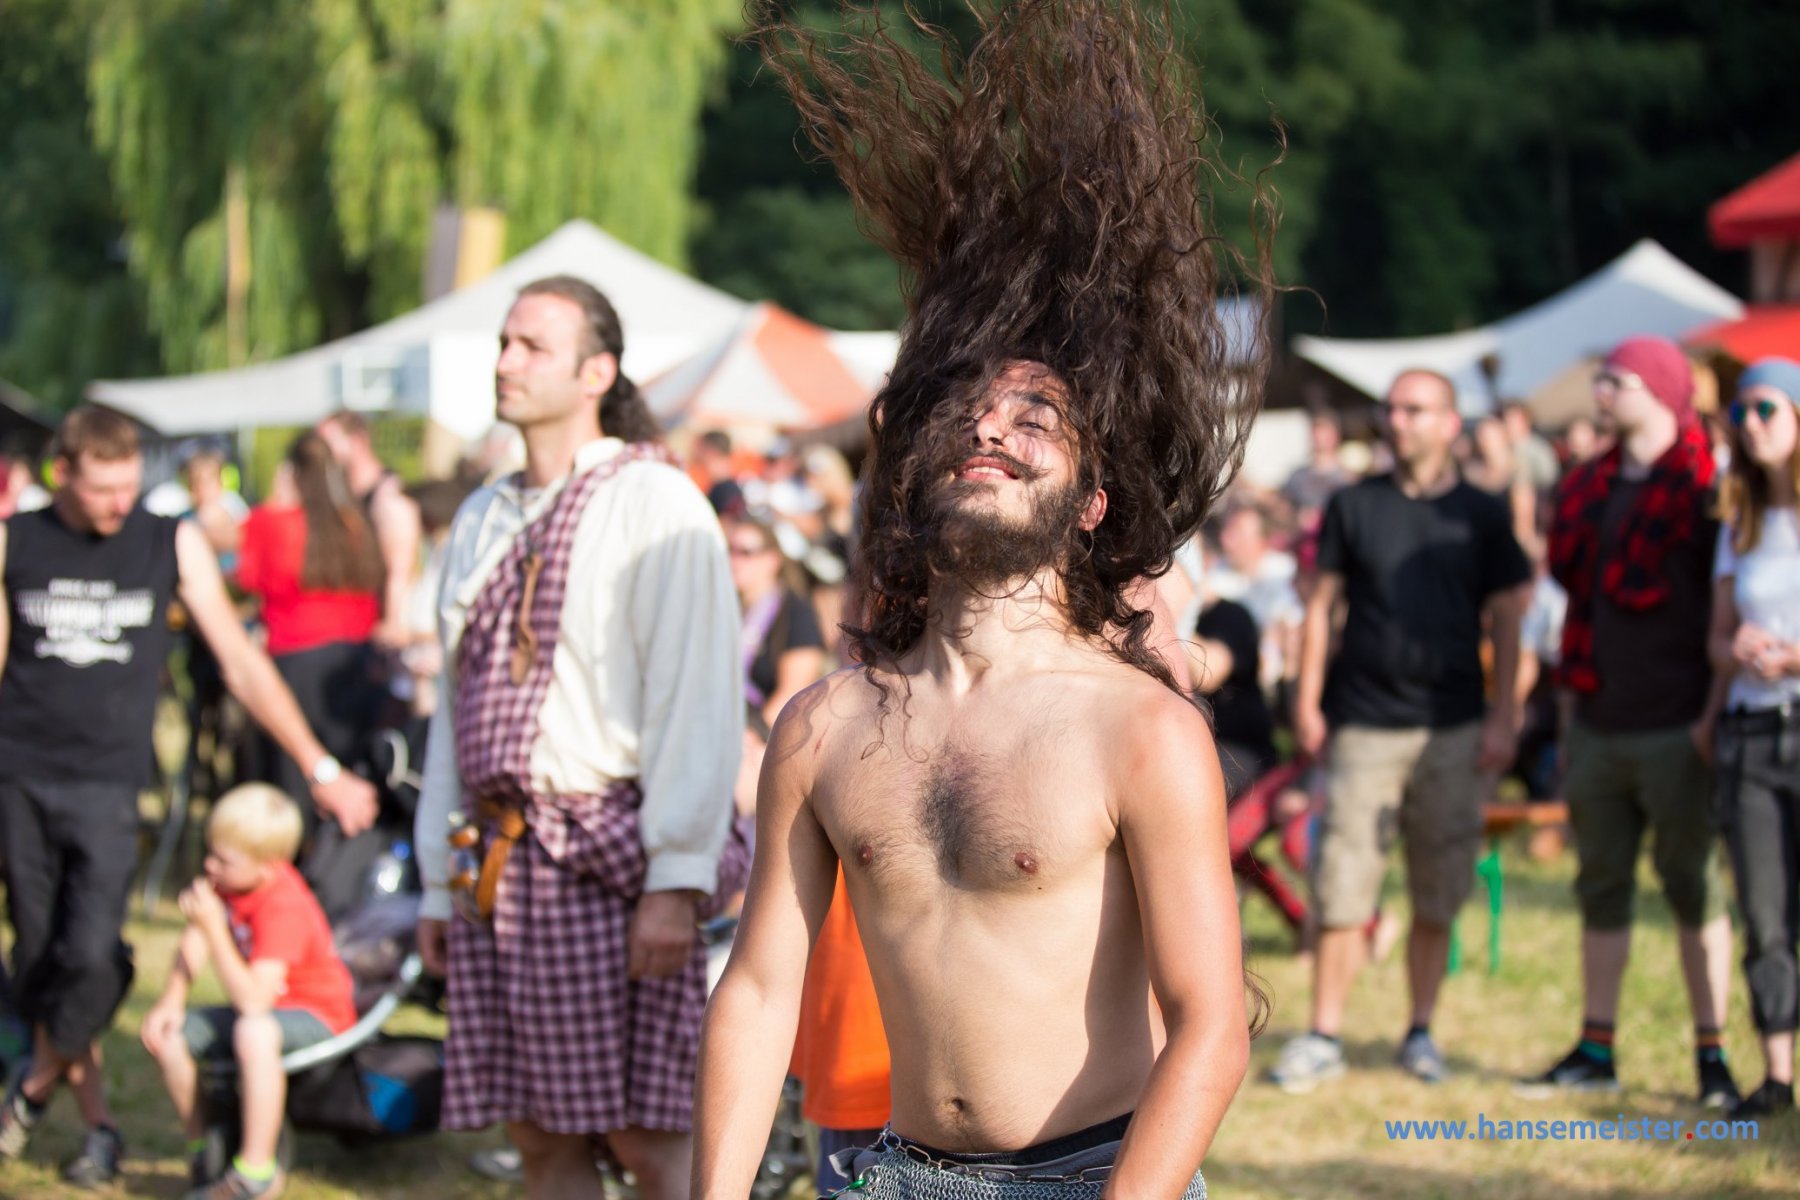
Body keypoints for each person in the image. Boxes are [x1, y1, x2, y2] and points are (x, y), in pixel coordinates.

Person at [696, 2, 1270, 1195]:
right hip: (892, 1174)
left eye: (1036, 419)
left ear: (1092, 504)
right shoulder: (823, 727)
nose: (992, 430)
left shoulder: (1140, 729)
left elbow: (1212, 1025)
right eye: (967, 415)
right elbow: (756, 991)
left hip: (1092, 1175)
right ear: (914, 476)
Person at [412, 275, 746, 1200]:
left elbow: (696, 700)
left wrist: (676, 880)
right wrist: (438, 878)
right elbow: (452, 711)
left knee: (649, 1142)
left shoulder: (654, 501)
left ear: (597, 372)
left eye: (533, 346)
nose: (506, 362)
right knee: (540, 1137)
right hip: (497, 855)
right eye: (504, 342)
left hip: (609, 856)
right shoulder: (482, 514)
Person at [0, 406, 375, 1186]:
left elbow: (239, 659)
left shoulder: (167, 540)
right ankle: (99, 1128)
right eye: (102, 489)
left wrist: (318, 765)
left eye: (130, 486)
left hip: (110, 784)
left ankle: (30, 1089)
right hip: (21, 774)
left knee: (91, 959)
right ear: (62, 474)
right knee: (41, 965)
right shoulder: (17, 540)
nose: (119, 504)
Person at [1273, 369, 1530, 1092]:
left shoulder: (1481, 513)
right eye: (1391, 408)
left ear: (1449, 423)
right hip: (1364, 723)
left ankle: (1420, 1031)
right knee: (1341, 884)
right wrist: (1308, 702)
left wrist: (1506, 715)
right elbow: (1320, 608)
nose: (1398, 419)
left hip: (1452, 726)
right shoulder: (1355, 503)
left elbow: (1509, 619)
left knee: (1437, 885)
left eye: (1415, 409)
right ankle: (1323, 1034)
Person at [1524, 335, 1740, 1108]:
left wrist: (1708, 718)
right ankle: (1596, 1047)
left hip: (1678, 720)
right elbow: (1575, 601)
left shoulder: (1710, 483)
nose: (1602, 392)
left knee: (1694, 889)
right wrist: (1571, 717)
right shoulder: (1588, 485)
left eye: (1618, 381)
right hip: (1598, 716)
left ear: (1660, 388)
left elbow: (1728, 606)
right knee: (1601, 887)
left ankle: (1713, 1056)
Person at [140, 783, 359, 1200]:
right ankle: (205, 1149)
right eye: (210, 852)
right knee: (170, 1037)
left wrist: (214, 928)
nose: (210, 865)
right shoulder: (229, 882)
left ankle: (255, 1172)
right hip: (263, 1012)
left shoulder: (283, 905)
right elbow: (194, 942)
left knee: (253, 1031)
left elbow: (253, 1001)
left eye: (224, 859)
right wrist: (171, 1001)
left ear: (267, 866)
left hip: (317, 1016)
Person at [236, 433, 388, 920]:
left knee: (292, 794)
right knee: (347, 783)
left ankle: (287, 900)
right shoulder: (357, 525)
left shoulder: (274, 523)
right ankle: (334, 893)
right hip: (355, 670)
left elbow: (249, 578)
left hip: (295, 668)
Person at [1702, 358, 1800, 1117]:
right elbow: (1715, 639)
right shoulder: (1742, 522)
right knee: (1764, 915)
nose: (1751, 424)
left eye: (1767, 408)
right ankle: (1777, 1078)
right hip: (1752, 734)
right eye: (1741, 412)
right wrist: (1735, 649)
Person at [314, 409, 422, 651]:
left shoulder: (389, 498)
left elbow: (400, 570)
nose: (320, 452)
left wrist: (392, 624)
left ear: (357, 441)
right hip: (351, 630)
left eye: (328, 443)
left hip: (381, 634)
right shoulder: (344, 495)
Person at [726, 515, 827, 730]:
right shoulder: (726, 608)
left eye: (745, 552)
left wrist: (752, 736)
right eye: (729, 550)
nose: (733, 561)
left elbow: (793, 692)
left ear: (773, 560)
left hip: (766, 735)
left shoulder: (796, 611)